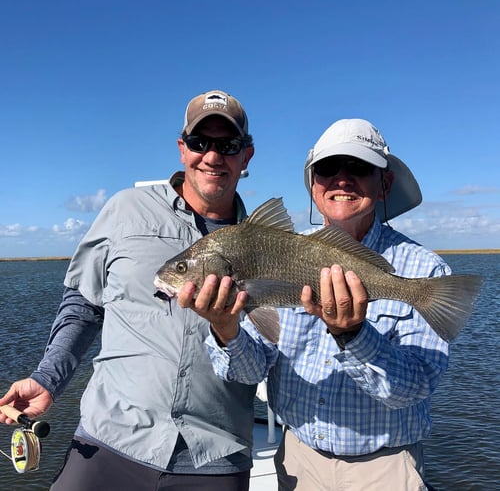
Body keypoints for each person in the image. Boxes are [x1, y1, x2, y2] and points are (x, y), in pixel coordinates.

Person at [0, 90, 257, 491]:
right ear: (181, 148)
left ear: (247, 156)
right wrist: (48, 378)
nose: (212, 156)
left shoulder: (264, 243)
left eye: (227, 145)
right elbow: (84, 306)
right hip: (110, 441)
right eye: (199, 142)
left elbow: (271, 346)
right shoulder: (125, 209)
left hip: (215, 456)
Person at [197, 118, 451, 490]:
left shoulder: (425, 271)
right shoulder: (276, 249)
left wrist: (354, 334)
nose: (342, 179)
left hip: (385, 469)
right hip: (297, 460)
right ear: (314, 186)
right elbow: (249, 372)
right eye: (327, 169)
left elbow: (413, 388)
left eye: (360, 168)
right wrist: (225, 327)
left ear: (385, 184)